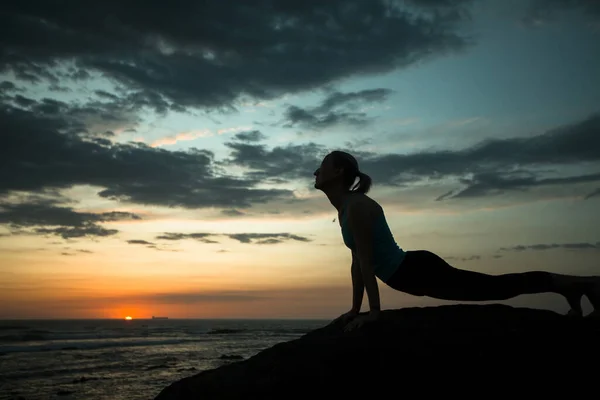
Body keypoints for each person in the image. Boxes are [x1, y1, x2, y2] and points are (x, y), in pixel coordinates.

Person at [313, 150, 599, 331]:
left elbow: (365, 261)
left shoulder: (358, 206)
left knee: (497, 288)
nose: (315, 171)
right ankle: (570, 288)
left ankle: (581, 283)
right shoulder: (346, 208)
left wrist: (374, 312)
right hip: (412, 273)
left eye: (322, 165)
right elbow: (357, 263)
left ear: (338, 173)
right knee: (494, 287)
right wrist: (354, 309)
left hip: (417, 271)